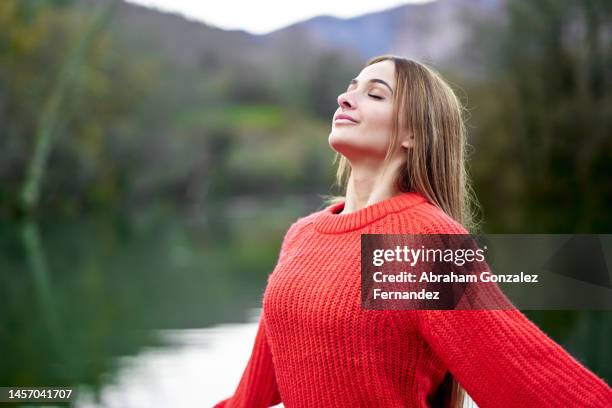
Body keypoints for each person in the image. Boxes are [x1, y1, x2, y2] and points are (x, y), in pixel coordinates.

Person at [214, 55, 612, 407]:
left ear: (414, 134)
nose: (345, 98)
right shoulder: (303, 236)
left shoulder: (421, 242)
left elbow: (527, 381)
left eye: (375, 94)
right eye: (351, 88)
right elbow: (255, 392)